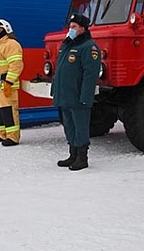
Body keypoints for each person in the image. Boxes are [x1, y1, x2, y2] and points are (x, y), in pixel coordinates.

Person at [51, 13, 101, 171]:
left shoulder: (88, 47)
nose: (70, 30)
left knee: (80, 127)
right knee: (69, 126)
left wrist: (86, 97)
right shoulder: (68, 45)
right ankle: (72, 154)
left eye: (74, 27)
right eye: (70, 27)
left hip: (78, 96)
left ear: (82, 29)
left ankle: (82, 157)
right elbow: (60, 71)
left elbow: (90, 75)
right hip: (65, 95)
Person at [0, 19, 24, 147]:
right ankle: (1, 134)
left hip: (6, 84)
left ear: (6, 29)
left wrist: (9, 82)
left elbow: (16, 65)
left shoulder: (12, 44)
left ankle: (13, 137)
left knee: (9, 111)